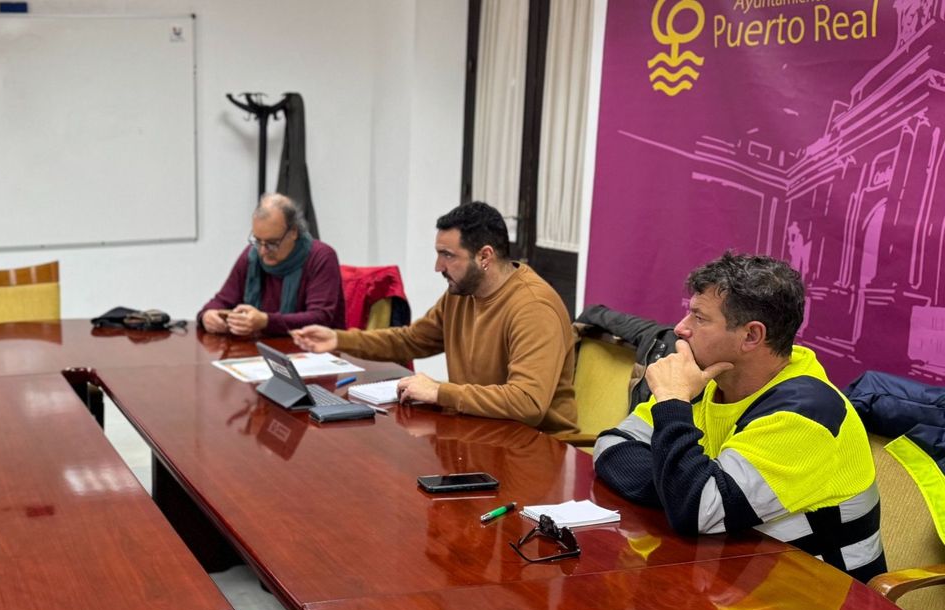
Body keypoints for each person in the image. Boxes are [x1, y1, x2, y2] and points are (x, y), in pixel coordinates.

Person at [593, 252, 885, 581]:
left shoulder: (806, 413)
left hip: (819, 598)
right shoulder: (706, 381)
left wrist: (672, 403)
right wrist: (677, 489)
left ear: (751, 336)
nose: (680, 328)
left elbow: (697, 511)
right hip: (732, 576)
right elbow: (611, 445)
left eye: (699, 318)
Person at [291, 201, 577, 434]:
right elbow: (411, 340)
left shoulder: (533, 307)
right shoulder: (461, 294)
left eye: (447, 255)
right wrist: (338, 339)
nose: (437, 266)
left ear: (485, 256)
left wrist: (440, 392)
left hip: (535, 448)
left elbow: (527, 402)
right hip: (480, 431)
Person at [198, 193, 344, 338]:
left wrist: (266, 321)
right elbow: (222, 301)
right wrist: (207, 316)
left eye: (272, 243)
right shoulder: (251, 256)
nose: (262, 251)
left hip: (313, 348)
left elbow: (319, 319)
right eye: (257, 241)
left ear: (293, 232)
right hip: (260, 347)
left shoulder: (321, 257)